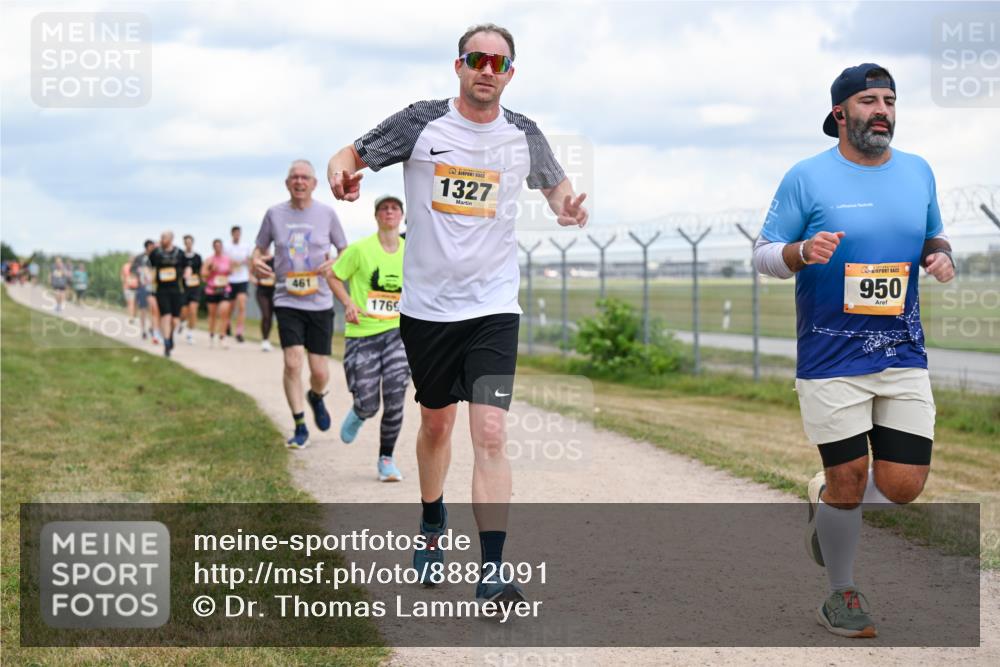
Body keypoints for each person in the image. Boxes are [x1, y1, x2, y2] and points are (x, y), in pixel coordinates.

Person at [327, 23, 588, 604]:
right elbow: (350, 155)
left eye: (498, 63)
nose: (486, 71)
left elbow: (558, 190)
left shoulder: (524, 134)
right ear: (459, 66)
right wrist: (340, 175)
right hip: (427, 312)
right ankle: (430, 520)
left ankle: (492, 569)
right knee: (437, 424)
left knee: (491, 432)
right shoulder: (421, 123)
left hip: (494, 307)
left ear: (510, 74)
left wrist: (568, 208)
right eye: (477, 59)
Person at [752, 64, 956, 639]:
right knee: (848, 478)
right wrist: (800, 252)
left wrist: (940, 256)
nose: (883, 110)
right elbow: (763, 254)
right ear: (841, 113)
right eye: (869, 100)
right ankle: (840, 592)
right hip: (829, 359)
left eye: (889, 99)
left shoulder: (918, 172)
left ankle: (825, 501)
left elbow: (932, 235)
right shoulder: (807, 177)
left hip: (902, 354)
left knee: (904, 486)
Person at [251, 159, 347, 449]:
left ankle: (316, 396)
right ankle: (300, 424)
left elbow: (344, 249)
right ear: (287, 183)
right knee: (292, 363)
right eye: (294, 177)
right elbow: (258, 249)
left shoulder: (327, 214)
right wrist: (256, 262)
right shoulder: (274, 214)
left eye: (305, 177)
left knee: (319, 371)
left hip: (319, 301)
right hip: (286, 299)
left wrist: (336, 261)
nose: (299, 182)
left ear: (314, 184)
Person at [330, 194, 410, 482]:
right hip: (362, 334)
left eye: (394, 208)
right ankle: (360, 412)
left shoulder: (410, 251)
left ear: (401, 216)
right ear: (376, 216)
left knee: (395, 396)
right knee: (369, 403)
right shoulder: (360, 249)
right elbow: (334, 275)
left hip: (397, 334)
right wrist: (348, 303)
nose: (389, 212)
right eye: (384, 208)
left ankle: (386, 458)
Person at [149, 231, 192, 357]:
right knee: (166, 316)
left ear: (171, 239)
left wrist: (187, 273)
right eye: (161, 237)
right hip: (161, 289)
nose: (162, 239)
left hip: (176, 289)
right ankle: (167, 343)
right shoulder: (156, 253)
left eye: (164, 237)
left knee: (175, 320)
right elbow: (149, 265)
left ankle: (170, 336)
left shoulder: (179, 253)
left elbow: (187, 266)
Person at [202, 239, 233, 348]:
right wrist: (210, 269)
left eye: (220, 246)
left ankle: (222, 337)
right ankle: (211, 335)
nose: (218, 248)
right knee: (212, 315)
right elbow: (203, 275)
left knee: (224, 312)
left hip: (224, 289)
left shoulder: (227, 259)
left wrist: (229, 271)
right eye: (216, 246)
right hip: (212, 289)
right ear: (213, 247)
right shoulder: (209, 260)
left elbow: (231, 271)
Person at [225, 225, 252, 343]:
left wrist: (247, 262)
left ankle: (239, 332)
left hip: (243, 278)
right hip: (231, 279)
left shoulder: (246, 246)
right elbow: (224, 261)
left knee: (242, 305)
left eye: (239, 233)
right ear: (232, 234)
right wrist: (231, 263)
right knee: (231, 306)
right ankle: (227, 324)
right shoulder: (226, 246)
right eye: (235, 233)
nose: (237, 235)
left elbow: (250, 261)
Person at [182, 234, 203, 344]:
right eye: (186, 242)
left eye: (190, 242)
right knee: (184, 312)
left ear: (192, 243)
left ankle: (190, 334)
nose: (188, 244)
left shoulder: (197, 257)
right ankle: (182, 322)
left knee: (193, 310)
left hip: (195, 287)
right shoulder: (181, 256)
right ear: (184, 243)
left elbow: (202, 271)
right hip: (184, 287)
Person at [255, 257, 276, 352]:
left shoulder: (281, 262)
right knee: (266, 315)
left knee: (270, 316)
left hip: (274, 292)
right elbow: (252, 274)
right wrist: (256, 279)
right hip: (262, 292)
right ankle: (264, 340)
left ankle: (267, 339)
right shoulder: (261, 261)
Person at [121, 257, 139, 322]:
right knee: (130, 302)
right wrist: (124, 283)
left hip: (136, 287)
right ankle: (131, 316)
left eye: (133, 258)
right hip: (127, 287)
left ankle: (133, 316)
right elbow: (122, 276)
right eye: (131, 258)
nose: (132, 259)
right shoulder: (125, 266)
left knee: (134, 303)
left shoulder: (137, 266)